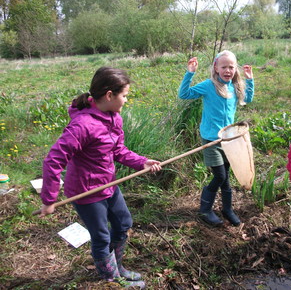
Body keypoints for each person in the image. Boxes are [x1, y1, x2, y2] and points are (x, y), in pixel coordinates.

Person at [39, 67, 162, 289]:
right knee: (101, 237)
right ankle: (111, 277)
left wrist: (142, 162)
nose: (125, 100)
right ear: (109, 95)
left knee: (124, 223)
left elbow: (118, 150)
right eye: (124, 95)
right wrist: (49, 199)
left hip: (108, 184)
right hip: (87, 192)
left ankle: (117, 267)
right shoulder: (82, 126)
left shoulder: (113, 118)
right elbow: (53, 160)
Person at [178, 50, 254, 227]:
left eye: (231, 67)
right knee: (219, 175)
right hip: (211, 139)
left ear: (235, 69)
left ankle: (227, 209)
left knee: (226, 176)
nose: (228, 70)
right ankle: (205, 210)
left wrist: (249, 79)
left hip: (229, 139)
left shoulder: (234, 87)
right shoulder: (208, 85)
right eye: (224, 67)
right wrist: (190, 73)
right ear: (216, 68)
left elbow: (248, 99)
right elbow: (184, 94)